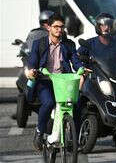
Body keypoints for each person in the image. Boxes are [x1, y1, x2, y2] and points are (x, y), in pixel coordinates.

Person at [26, 13, 84, 151]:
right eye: (56, 26)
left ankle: (74, 140)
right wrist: (33, 70)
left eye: (61, 27)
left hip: (63, 81)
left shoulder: (69, 44)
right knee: (49, 102)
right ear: (48, 27)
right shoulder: (38, 44)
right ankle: (39, 132)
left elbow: (74, 60)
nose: (59, 29)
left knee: (76, 106)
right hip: (44, 80)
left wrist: (81, 68)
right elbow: (33, 61)